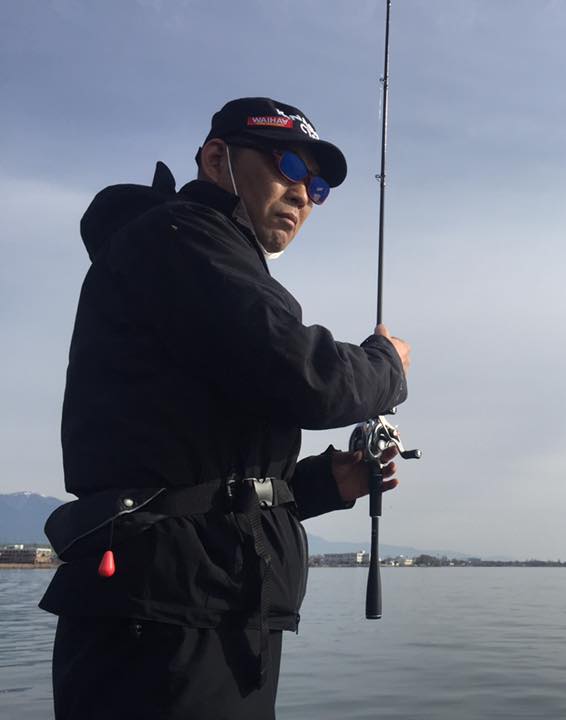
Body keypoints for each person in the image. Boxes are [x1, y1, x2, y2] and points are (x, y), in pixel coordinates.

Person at [40, 97, 411, 719]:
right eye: (288, 165)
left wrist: (326, 483)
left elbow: (209, 473)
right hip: (165, 617)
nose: (304, 193)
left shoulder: (203, 262)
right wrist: (387, 364)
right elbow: (307, 377)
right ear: (217, 159)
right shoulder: (181, 238)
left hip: (210, 606)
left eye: (318, 188)